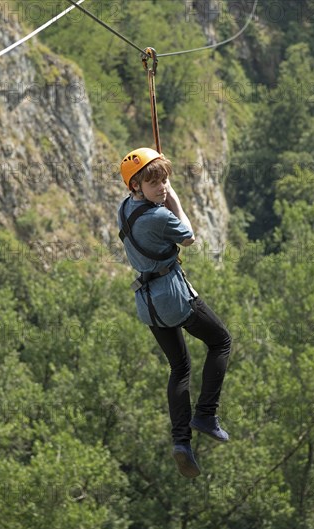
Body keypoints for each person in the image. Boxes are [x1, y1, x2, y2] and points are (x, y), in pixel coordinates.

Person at [118, 147, 232, 478]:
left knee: (179, 367)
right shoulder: (159, 216)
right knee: (221, 341)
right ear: (136, 186)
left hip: (148, 302)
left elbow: (149, 208)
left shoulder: (125, 209)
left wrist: (159, 191)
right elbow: (190, 238)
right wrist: (176, 202)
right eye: (154, 183)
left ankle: (181, 443)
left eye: (165, 180)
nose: (163, 187)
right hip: (173, 297)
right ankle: (206, 414)